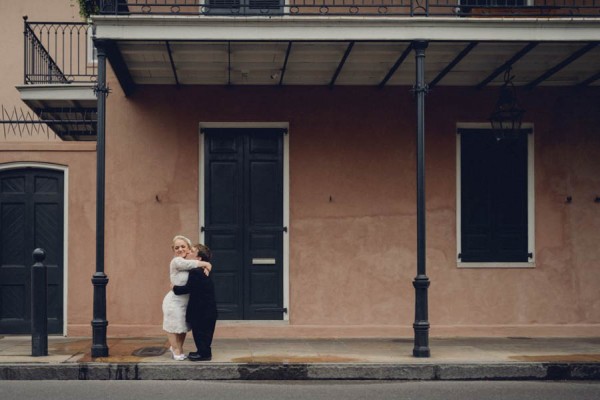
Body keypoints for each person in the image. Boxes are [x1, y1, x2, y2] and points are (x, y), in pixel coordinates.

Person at [161, 235, 211, 361]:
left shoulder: (191, 264)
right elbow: (189, 263)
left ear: (189, 249)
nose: (180, 249)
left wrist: (205, 267)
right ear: (173, 250)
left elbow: (193, 266)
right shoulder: (177, 261)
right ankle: (176, 349)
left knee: (182, 327)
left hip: (185, 302)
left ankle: (178, 348)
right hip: (174, 301)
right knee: (172, 326)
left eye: (183, 246)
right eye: (177, 247)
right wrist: (206, 263)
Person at [173, 243, 218, 361]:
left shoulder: (195, 271)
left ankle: (204, 354)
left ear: (198, 258)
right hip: (208, 309)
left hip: (200, 310)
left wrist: (174, 288)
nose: (188, 252)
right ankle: (203, 351)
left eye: (192, 251)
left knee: (200, 333)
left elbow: (188, 288)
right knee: (206, 333)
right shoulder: (204, 269)